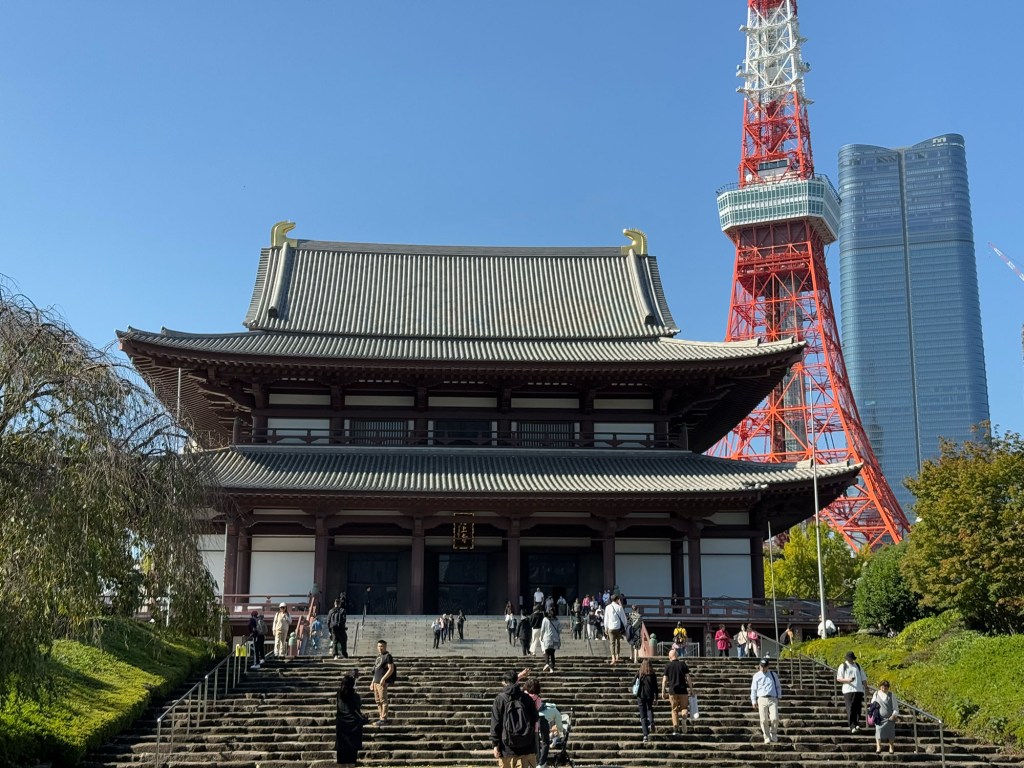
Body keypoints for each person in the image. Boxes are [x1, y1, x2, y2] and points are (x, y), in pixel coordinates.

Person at [490, 668, 539, 768]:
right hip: (527, 748)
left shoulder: (500, 699)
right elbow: (535, 718)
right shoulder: (527, 698)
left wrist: (495, 745)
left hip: (506, 749)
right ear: (517, 680)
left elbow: (495, 724)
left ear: (505, 682)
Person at [335, 671, 368, 767]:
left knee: (341, 753)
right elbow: (357, 709)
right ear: (352, 685)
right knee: (352, 753)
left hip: (341, 724)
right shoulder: (355, 697)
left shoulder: (339, 694)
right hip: (354, 725)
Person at [750, 656, 782, 744]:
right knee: (763, 720)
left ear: (768, 666)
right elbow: (753, 689)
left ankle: (773, 733)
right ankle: (766, 736)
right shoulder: (756, 676)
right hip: (762, 698)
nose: (763, 668)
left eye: (764, 666)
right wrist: (753, 700)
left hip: (772, 698)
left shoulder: (773, 674)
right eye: (761, 666)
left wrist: (778, 696)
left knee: (775, 718)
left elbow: (778, 686)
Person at [661, 648, 692, 736]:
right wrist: (691, 689)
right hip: (683, 690)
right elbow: (688, 678)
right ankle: (684, 717)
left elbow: (664, 680)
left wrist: (663, 691)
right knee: (684, 708)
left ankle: (675, 728)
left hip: (673, 691)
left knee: (674, 710)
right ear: (677, 656)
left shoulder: (668, 666)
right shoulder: (683, 664)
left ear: (670, 657)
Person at [836, 650, 867, 732]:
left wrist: (866, 687)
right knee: (850, 708)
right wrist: (848, 680)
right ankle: (852, 725)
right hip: (848, 690)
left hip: (858, 689)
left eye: (852, 658)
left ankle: (856, 723)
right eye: (849, 658)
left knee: (858, 708)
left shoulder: (857, 665)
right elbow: (839, 678)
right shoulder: (843, 666)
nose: (851, 660)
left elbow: (863, 677)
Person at [370, 640, 395, 726]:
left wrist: (384, 678)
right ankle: (381, 717)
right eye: (379, 646)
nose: (380, 648)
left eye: (382, 646)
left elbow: (391, 669)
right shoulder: (378, 657)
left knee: (383, 700)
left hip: (381, 682)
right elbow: (376, 670)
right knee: (378, 701)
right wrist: (372, 682)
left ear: (385, 646)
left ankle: (384, 719)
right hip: (376, 681)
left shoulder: (388, 656)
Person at [634, 658, 658, 743]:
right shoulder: (653, 674)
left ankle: (645, 736)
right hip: (650, 695)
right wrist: (656, 697)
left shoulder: (640, 673)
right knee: (649, 708)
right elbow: (656, 687)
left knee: (643, 716)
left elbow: (633, 682)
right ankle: (651, 722)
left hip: (640, 696)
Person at [871, 680, 899, 753]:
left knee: (891, 733)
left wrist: (894, 715)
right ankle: (878, 746)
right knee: (878, 731)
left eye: (886, 687)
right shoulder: (876, 694)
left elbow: (895, 707)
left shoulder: (891, 695)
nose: (884, 688)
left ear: (888, 687)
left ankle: (891, 747)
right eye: (882, 687)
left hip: (889, 717)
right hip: (879, 717)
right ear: (880, 687)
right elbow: (872, 704)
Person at [604, 593, 628, 665]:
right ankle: (617, 655)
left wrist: (605, 627)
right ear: (617, 600)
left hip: (610, 627)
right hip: (618, 627)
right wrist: (625, 626)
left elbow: (606, 619)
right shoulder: (619, 607)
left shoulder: (607, 607)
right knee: (618, 642)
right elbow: (623, 619)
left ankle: (613, 657)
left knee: (612, 643)